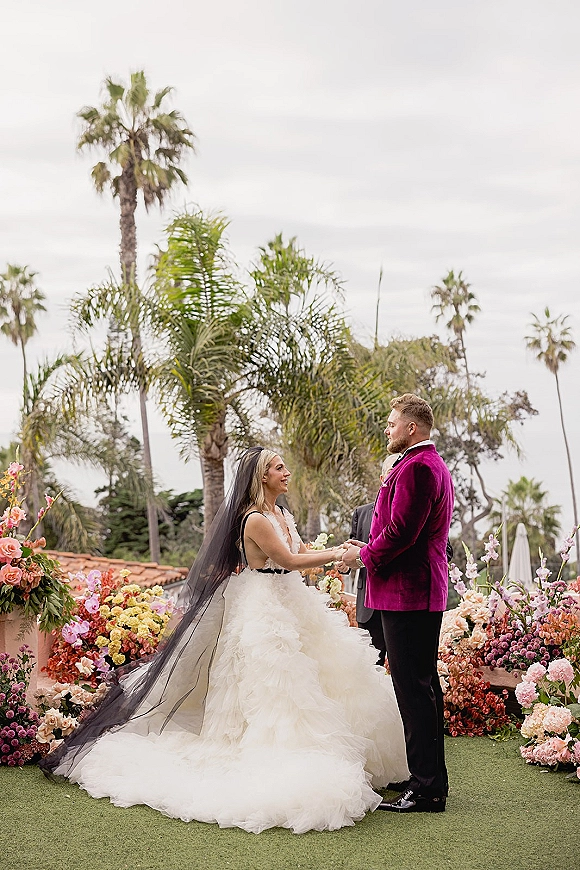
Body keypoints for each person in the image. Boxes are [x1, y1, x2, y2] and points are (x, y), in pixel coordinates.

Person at [40, 447, 408, 833]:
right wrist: (341, 554)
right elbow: (290, 560)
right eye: (279, 467)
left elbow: (300, 551)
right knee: (277, 681)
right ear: (262, 476)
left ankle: (339, 751)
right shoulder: (254, 519)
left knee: (321, 672)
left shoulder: (281, 513)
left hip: (293, 599)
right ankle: (281, 755)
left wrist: (341, 552)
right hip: (265, 603)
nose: (287, 472)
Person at [340, 394, 454, 814]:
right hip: (410, 592)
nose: (386, 429)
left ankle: (427, 790)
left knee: (413, 688)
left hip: (409, 593)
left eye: (391, 423)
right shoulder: (419, 464)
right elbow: (396, 530)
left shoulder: (419, 467)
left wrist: (363, 556)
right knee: (420, 688)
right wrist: (366, 545)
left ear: (411, 427)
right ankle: (427, 778)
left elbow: (403, 532)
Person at [349, 454, 400, 666]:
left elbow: (445, 550)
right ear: (382, 478)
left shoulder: (417, 510)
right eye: (391, 470)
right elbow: (352, 550)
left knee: (402, 669)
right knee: (370, 668)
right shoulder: (361, 513)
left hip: (400, 604)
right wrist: (344, 563)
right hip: (368, 606)